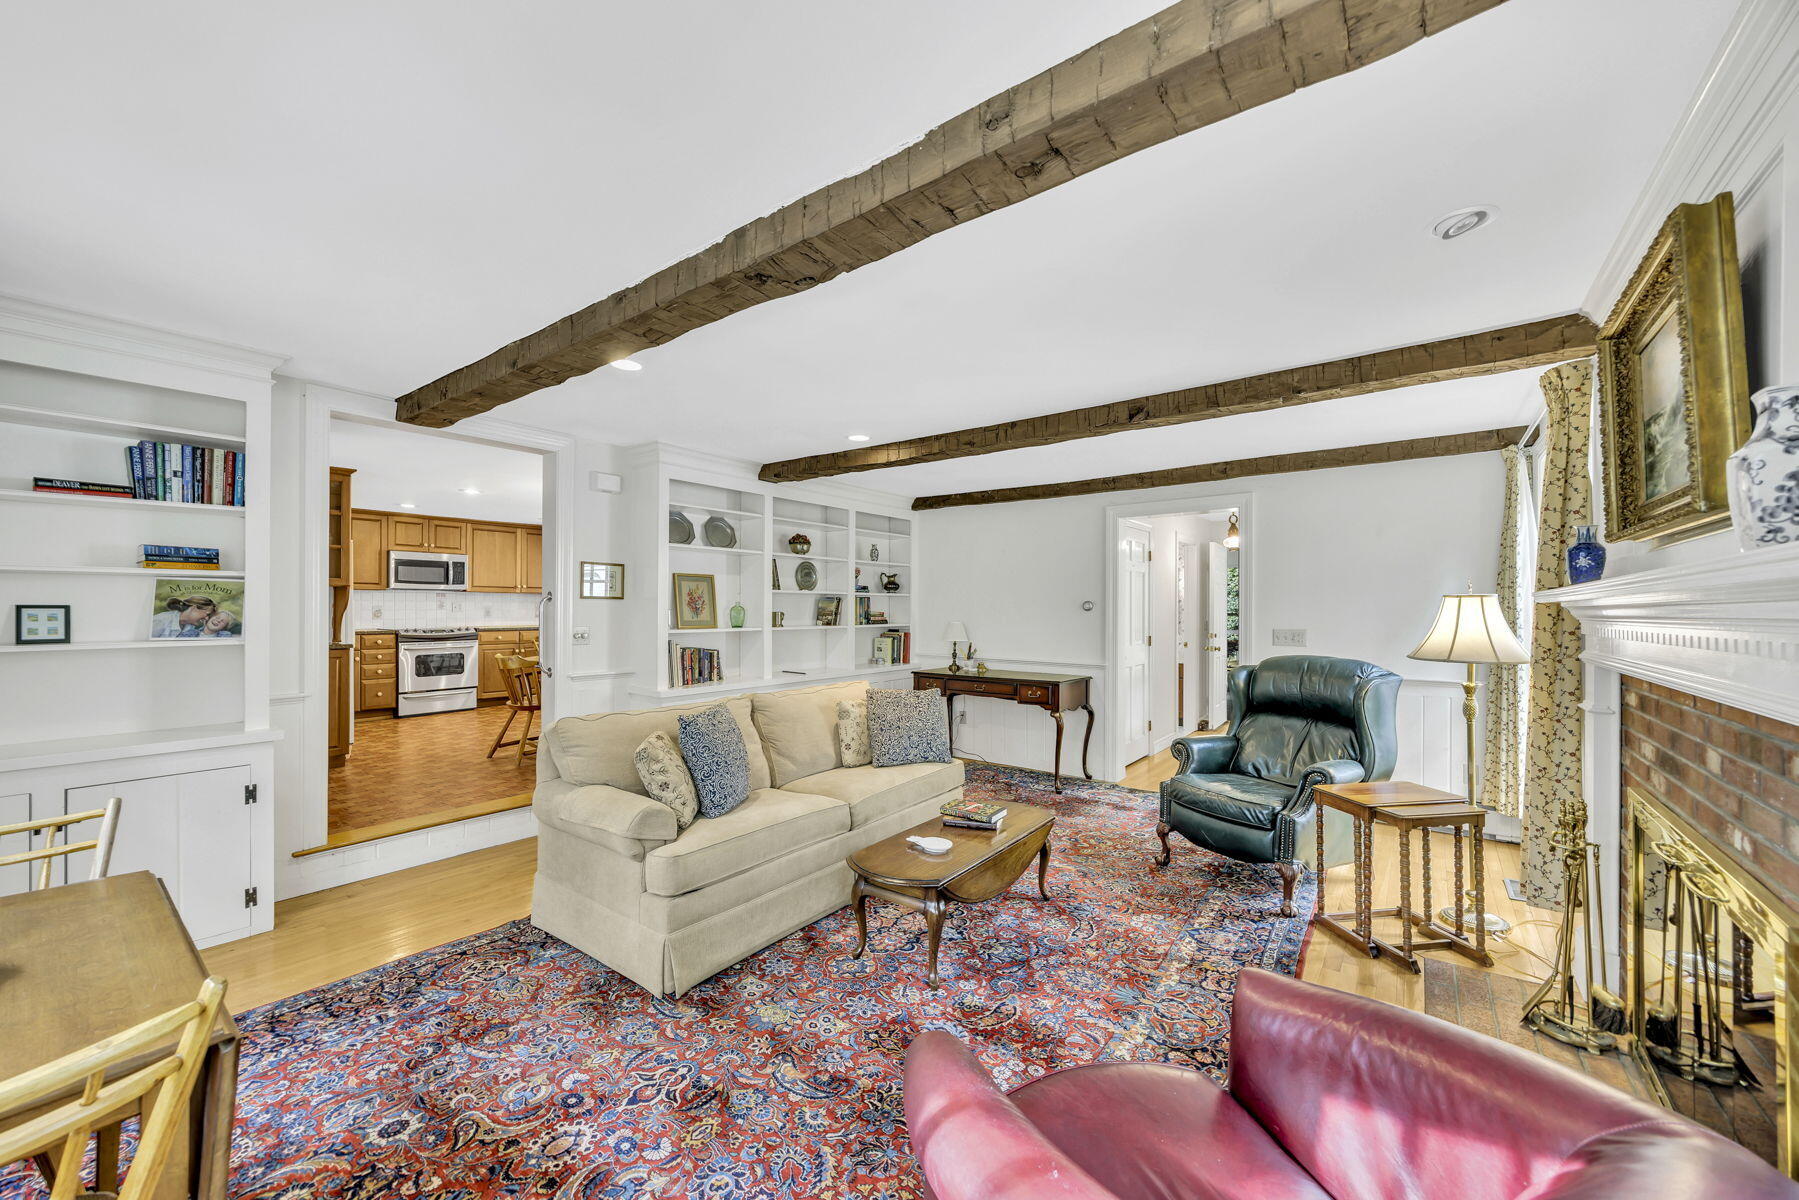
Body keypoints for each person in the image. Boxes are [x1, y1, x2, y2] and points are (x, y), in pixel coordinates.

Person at [151, 596, 216, 638]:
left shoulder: (190, 627)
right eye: (207, 614)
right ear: (193, 608)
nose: (207, 618)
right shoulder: (161, 621)